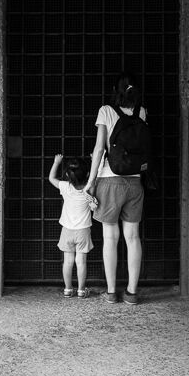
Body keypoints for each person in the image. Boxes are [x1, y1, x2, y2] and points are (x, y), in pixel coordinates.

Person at [84, 72, 147, 304]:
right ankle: (132, 292)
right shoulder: (142, 112)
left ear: (115, 90)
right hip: (135, 182)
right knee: (133, 237)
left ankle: (111, 291)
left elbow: (99, 149)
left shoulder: (106, 111)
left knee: (110, 237)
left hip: (109, 181)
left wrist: (91, 182)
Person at [48, 153, 97, 298]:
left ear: (67, 175)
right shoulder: (89, 188)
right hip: (83, 231)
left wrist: (56, 162)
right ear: (86, 174)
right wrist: (95, 161)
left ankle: (68, 289)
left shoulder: (65, 187)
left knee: (68, 261)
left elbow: (51, 178)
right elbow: (95, 177)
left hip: (67, 230)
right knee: (81, 262)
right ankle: (81, 290)